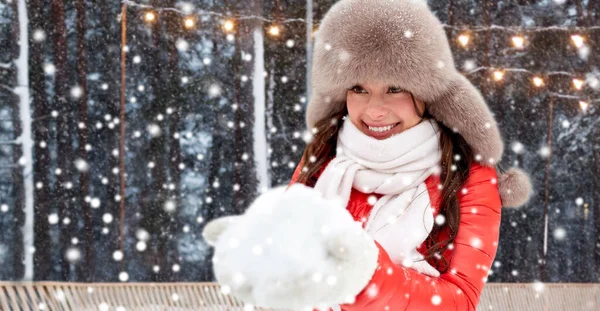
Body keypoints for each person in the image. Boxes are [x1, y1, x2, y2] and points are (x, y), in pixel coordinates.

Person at [286, 0, 534, 310]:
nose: (374, 110)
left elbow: (460, 299)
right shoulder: (325, 159)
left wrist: (365, 273)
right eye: (358, 88)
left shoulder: (468, 176)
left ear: (427, 94)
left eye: (394, 88)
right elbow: (280, 264)